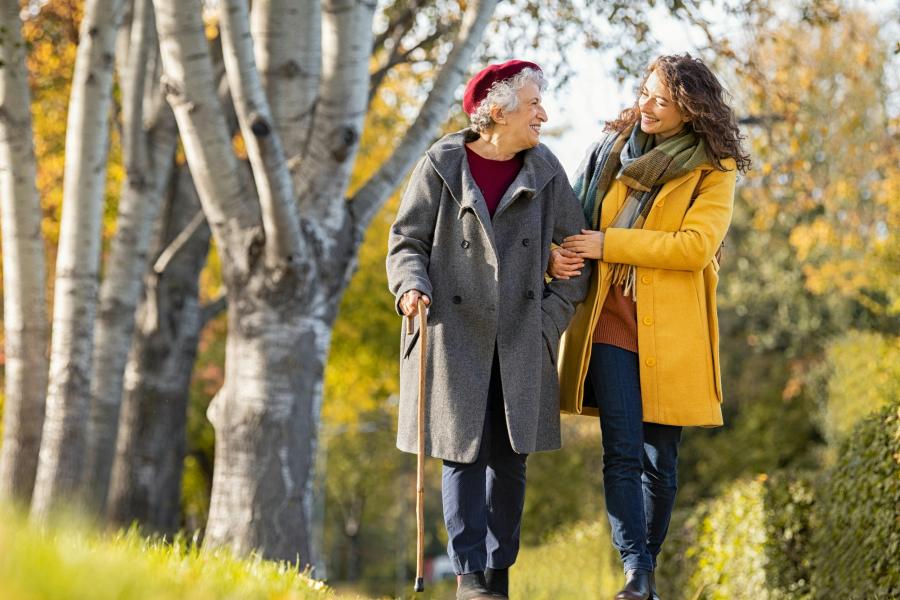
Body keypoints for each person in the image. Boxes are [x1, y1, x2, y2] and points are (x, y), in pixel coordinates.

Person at [549, 54, 751, 600]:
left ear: (690, 111)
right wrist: (557, 254)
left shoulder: (714, 169)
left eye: (661, 101)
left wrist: (610, 244)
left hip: (673, 333)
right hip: (610, 320)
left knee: (661, 462)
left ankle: (646, 572)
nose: (646, 106)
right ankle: (636, 571)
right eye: (644, 92)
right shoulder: (610, 152)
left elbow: (693, 247)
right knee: (622, 450)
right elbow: (569, 217)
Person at [386, 60, 590, 600]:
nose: (543, 115)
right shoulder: (441, 164)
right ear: (497, 113)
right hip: (454, 333)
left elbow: (578, 256)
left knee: (510, 459)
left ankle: (499, 573)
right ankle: (470, 576)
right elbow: (407, 242)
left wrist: (548, 322)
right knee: (462, 454)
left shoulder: (546, 170)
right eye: (534, 105)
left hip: (522, 335)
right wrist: (410, 286)